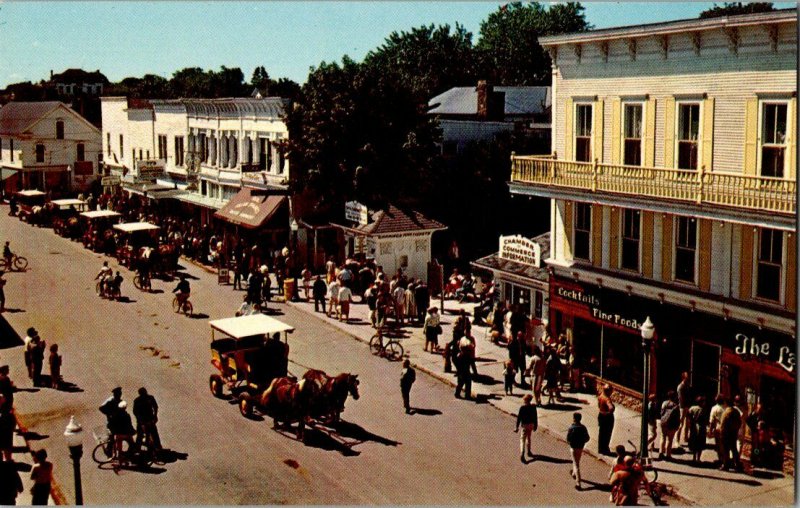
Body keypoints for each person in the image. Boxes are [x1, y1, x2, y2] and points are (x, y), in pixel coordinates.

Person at [567, 412, 591, 490]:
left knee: (576, 464)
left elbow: (568, 439)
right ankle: (574, 473)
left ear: (574, 418)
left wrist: (571, 442)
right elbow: (587, 438)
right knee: (577, 461)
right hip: (580, 447)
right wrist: (582, 442)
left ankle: (578, 483)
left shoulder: (571, 428)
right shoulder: (583, 427)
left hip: (573, 447)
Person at [719, 399, 743, 471]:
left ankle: (726, 464)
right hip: (733, 433)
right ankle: (737, 464)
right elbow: (739, 422)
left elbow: (723, 423)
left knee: (726, 449)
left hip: (726, 433)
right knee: (734, 449)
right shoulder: (736, 412)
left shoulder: (726, 412)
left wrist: (721, 432)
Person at [514, 394, 538, 462]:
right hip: (531, 424)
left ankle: (522, 453)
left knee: (522, 439)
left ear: (525, 400)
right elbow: (535, 417)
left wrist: (516, 427)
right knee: (529, 437)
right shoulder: (533, 407)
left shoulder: (522, 408)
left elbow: (519, 418)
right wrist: (535, 425)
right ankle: (529, 451)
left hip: (524, 425)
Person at [659, 390, 681, 460]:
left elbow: (661, 413)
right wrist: (677, 426)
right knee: (670, 440)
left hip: (663, 423)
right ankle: (668, 455)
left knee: (663, 437)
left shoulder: (664, 403)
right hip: (671, 425)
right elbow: (678, 417)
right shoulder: (676, 406)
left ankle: (661, 453)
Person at [687, 396, 708, 464]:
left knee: (694, 442)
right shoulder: (702, 410)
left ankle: (693, 457)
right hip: (701, 427)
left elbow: (688, 417)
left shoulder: (692, 408)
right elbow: (704, 420)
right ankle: (698, 458)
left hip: (693, 427)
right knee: (700, 443)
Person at [708, 394, 727, 465]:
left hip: (718, 428)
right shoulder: (726, 408)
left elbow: (712, 421)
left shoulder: (714, 408)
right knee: (725, 445)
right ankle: (725, 460)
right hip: (726, 429)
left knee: (719, 445)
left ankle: (721, 460)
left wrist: (710, 430)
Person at [597, 384, 616, 456]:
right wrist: (611, 409)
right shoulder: (607, 399)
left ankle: (601, 449)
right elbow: (611, 407)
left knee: (601, 433)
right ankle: (605, 449)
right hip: (607, 417)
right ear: (608, 391)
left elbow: (599, 405)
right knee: (607, 434)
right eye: (611, 391)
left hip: (601, 415)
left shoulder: (600, 396)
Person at [676, 371, 691, 444]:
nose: (688, 378)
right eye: (687, 377)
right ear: (683, 378)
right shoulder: (680, 387)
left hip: (687, 406)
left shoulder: (687, 386)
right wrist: (684, 408)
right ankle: (677, 440)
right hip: (683, 407)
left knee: (687, 423)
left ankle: (685, 437)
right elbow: (681, 398)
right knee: (680, 424)